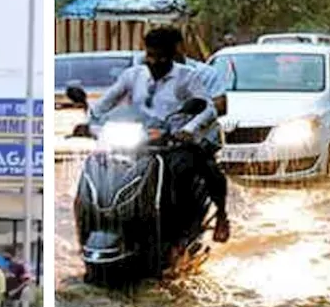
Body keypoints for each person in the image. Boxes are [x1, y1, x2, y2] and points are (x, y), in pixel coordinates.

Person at [86, 26, 228, 242]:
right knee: (102, 165)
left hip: (174, 144)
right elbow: (104, 103)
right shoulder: (133, 75)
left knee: (201, 168)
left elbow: (208, 109)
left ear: (172, 55)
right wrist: (90, 121)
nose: (154, 62)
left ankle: (218, 217)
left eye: (160, 57)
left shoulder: (187, 77)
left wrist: (188, 131)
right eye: (150, 55)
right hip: (139, 142)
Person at [173, 31, 231, 243]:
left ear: (179, 47)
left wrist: (192, 127)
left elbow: (220, 104)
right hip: (161, 138)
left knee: (206, 167)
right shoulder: (146, 76)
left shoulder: (204, 73)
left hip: (199, 137)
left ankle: (222, 214)